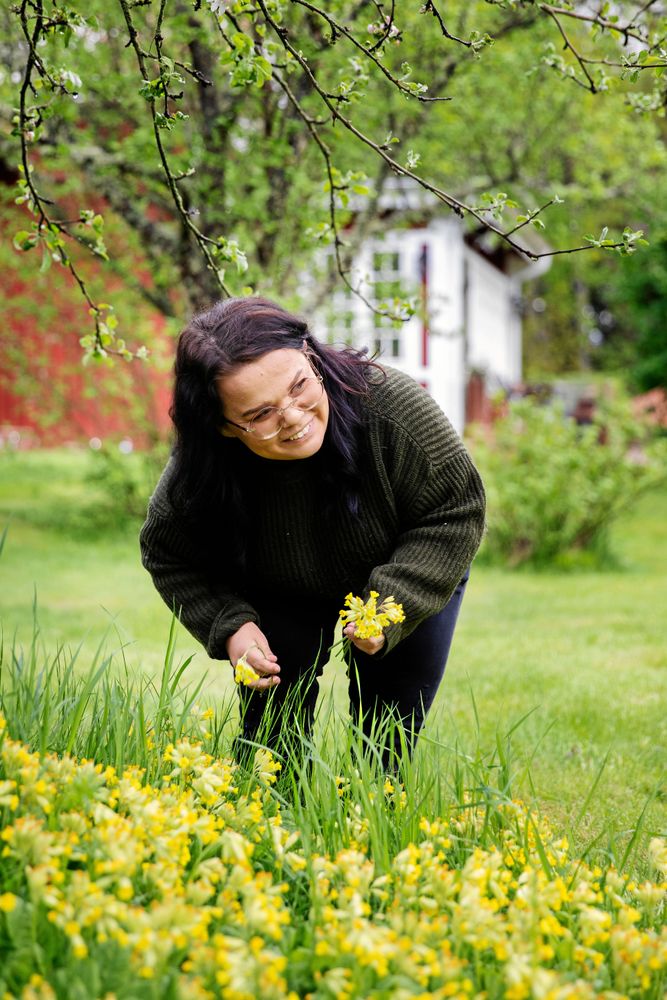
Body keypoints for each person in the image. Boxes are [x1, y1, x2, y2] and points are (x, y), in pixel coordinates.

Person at [140, 296, 486, 766]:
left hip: (405, 571)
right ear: (223, 426)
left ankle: (372, 822)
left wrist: (390, 604)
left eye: (300, 385)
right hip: (279, 585)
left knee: (386, 736)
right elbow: (167, 552)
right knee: (270, 739)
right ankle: (267, 827)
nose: (294, 417)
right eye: (260, 414)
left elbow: (456, 507)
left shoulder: (394, 410)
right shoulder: (200, 468)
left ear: (310, 354)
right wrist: (230, 626)